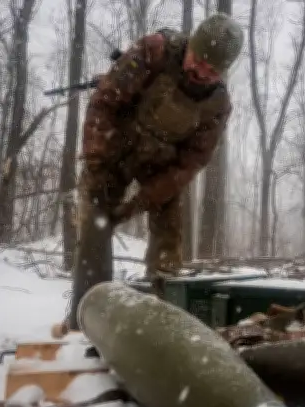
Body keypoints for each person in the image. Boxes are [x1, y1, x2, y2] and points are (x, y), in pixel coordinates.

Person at [65, 13, 244, 330]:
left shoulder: (218, 104)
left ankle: (165, 319)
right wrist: (97, 160)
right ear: (190, 45)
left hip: (161, 164)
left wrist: (144, 199)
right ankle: (87, 318)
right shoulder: (154, 52)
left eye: (212, 70)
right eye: (198, 60)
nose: (201, 71)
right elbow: (104, 103)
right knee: (95, 224)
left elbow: (192, 162)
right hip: (113, 148)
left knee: (168, 238)